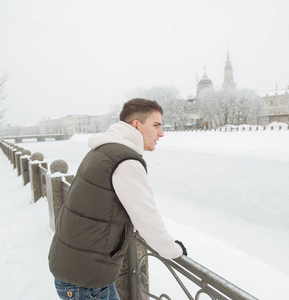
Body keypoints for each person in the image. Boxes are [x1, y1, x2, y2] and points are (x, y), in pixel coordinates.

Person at [48, 98, 187, 300]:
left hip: (80, 269)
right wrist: (173, 249)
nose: (161, 133)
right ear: (136, 125)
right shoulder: (125, 161)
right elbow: (148, 219)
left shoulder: (103, 150)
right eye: (156, 125)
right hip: (85, 280)